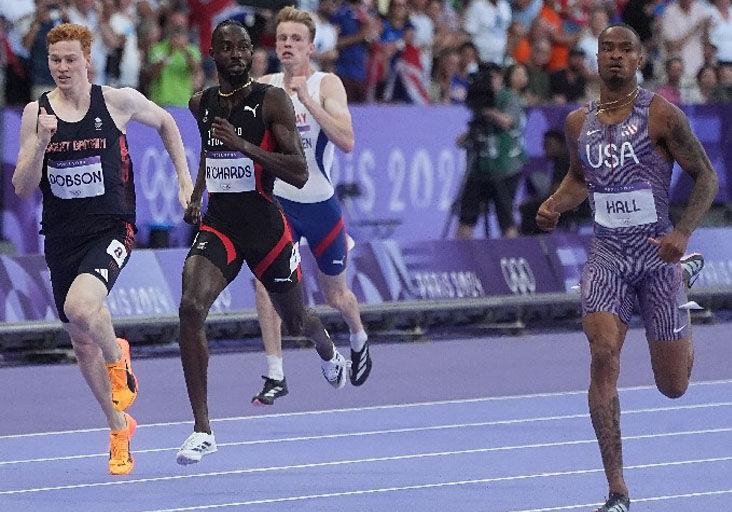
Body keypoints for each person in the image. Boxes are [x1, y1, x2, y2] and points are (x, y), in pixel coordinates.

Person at [536, 24, 718, 511]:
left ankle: (682, 284)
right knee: (602, 352)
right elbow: (580, 177)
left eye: (625, 50)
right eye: (607, 50)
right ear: (596, 60)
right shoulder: (579, 123)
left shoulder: (662, 115)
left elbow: (706, 177)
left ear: (639, 60)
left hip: (659, 259)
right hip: (608, 258)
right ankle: (617, 490)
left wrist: (682, 234)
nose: (615, 57)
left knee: (673, 387)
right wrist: (555, 204)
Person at [12, 23, 194, 475]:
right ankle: (118, 428)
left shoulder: (116, 101)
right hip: (61, 236)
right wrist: (41, 145)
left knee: (82, 304)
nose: (63, 68)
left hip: (112, 228)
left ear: (88, 60)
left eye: (71, 59)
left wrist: (184, 180)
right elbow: (21, 187)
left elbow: (168, 122)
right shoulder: (37, 113)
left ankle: (120, 363)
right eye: (55, 60)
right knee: (80, 339)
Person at [176, 19, 350, 464]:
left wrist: (245, 146)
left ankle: (327, 347)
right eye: (227, 48)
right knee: (191, 307)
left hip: (266, 229)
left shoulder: (271, 100)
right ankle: (202, 429)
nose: (237, 54)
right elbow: (208, 153)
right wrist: (197, 195)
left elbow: (298, 170)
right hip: (219, 225)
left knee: (295, 321)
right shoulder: (202, 103)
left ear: (252, 54)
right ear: (212, 54)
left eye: (244, 48)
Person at [252, 6, 372, 406]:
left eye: (296, 40)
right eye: (282, 38)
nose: (287, 45)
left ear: (310, 46)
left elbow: (348, 141)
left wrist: (307, 100)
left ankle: (357, 334)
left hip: (321, 207)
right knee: (264, 283)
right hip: (280, 204)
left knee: (335, 296)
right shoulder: (264, 86)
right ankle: (275, 371)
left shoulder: (327, 84)